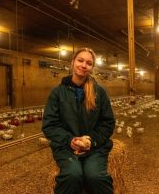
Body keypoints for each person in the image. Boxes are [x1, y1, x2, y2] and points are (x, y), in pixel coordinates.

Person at [42, 47, 115, 194]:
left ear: (92, 67)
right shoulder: (58, 93)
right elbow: (50, 125)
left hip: (95, 147)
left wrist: (92, 141)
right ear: (72, 62)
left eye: (88, 63)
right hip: (66, 147)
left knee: (95, 176)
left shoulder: (99, 92)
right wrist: (70, 140)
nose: (83, 65)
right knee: (72, 175)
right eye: (80, 60)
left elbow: (107, 123)